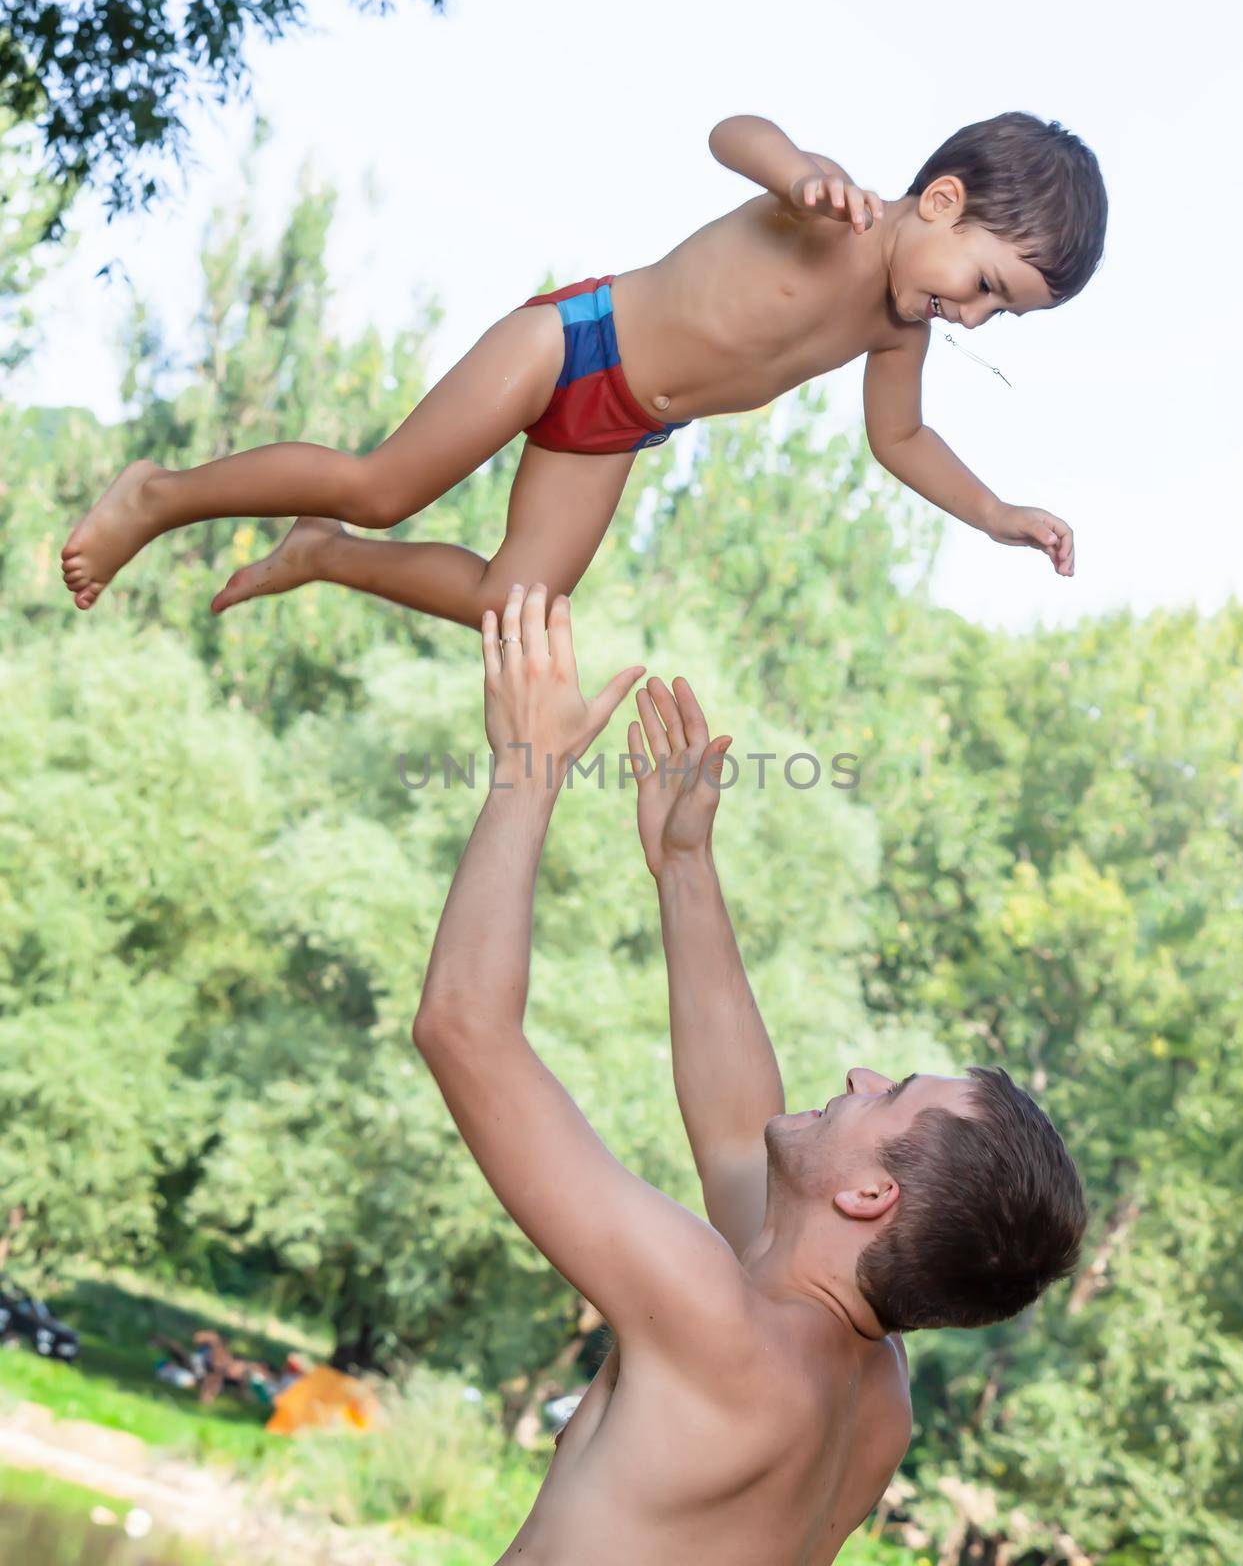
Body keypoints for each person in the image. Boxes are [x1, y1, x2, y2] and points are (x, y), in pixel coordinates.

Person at [412, 582, 1086, 1565]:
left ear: (867, 1193)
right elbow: (739, 1133)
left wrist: (527, 766)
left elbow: (462, 1029)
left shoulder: (711, 1321)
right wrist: (685, 866)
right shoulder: (869, 1405)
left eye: (890, 1093)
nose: (859, 1074)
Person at [61, 112, 1105, 619]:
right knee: (383, 485)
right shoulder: (833, 211)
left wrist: (996, 512)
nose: (970, 317)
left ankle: (318, 556)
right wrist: (797, 168)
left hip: (617, 425)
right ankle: (159, 495)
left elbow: (901, 438)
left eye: (998, 314)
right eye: (983, 286)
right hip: (572, 342)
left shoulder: (899, 332)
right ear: (942, 202)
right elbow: (731, 132)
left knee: (509, 608)